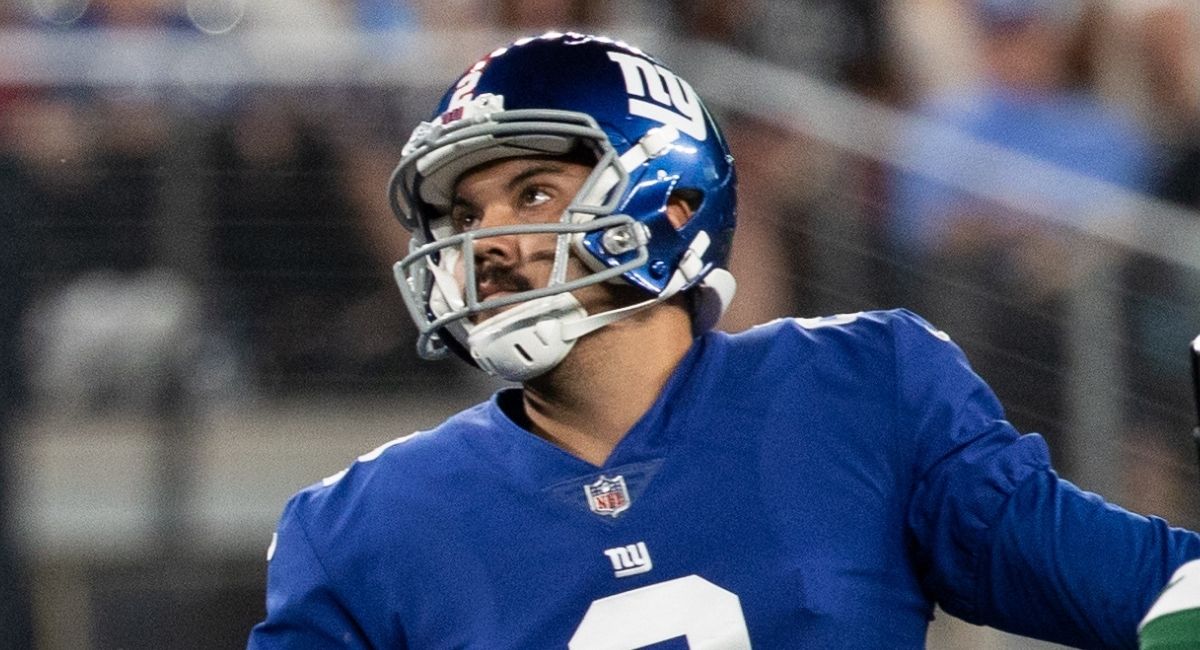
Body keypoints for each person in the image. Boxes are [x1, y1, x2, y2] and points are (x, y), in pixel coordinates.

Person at [248, 32, 1200, 648]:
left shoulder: (863, 391)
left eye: (532, 193)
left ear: (673, 202)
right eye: (463, 215)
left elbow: (1155, 594)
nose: (486, 244)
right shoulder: (360, 528)